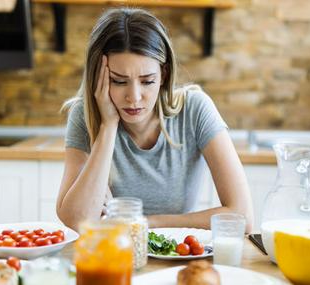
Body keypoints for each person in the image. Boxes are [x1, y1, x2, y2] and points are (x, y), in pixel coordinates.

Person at [56, 8, 253, 232]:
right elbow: (77, 220)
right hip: (113, 256)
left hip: (177, 253)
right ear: (98, 78)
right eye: (119, 81)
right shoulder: (84, 115)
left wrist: (144, 223)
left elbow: (243, 217)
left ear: (164, 75)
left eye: (147, 81)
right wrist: (107, 128)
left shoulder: (195, 109)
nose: (134, 97)